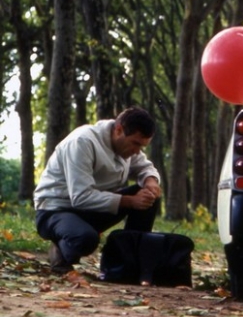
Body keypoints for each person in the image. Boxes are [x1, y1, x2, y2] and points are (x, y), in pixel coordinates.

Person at [34, 106, 162, 274]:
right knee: (85, 240)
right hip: (55, 210)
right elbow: (81, 197)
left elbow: (145, 167)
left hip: (93, 209)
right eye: (136, 144)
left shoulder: (128, 146)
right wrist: (130, 201)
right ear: (118, 130)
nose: (137, 151)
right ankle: (60, 249)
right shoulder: (82, 142)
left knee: (149, 196)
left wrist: (151, 182)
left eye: (142, 146)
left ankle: (130, 263)